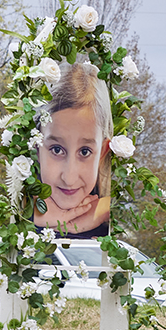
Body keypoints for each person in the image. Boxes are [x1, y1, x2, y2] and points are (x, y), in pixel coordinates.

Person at [34, 62, 112, 238]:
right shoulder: (13, 223)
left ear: (102, 152)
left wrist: (103, 210)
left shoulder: (111, 229)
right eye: (56, 150)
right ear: (36, 147)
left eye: (85, 152)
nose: (69, 178)